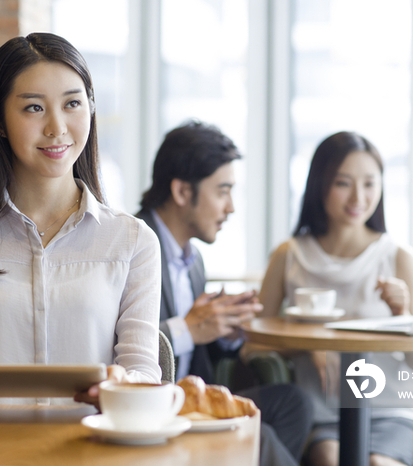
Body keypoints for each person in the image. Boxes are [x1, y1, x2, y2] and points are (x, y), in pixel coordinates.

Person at [0, 33, 162, 412]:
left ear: (91, 109)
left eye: (73, 104)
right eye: (33, 108)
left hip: (93, 449)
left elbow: (143, 373)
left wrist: (124, 385)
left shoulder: (132, 241)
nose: (57, 127)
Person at [137, 121, 314, 466]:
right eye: (222, 191)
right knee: (257, 433)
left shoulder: (193, 259)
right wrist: (189, 329)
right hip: (155, 404)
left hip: (192, 397)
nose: (230, 207)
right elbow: (114, 345)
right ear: (182, 192)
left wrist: (228, 330)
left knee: (293, 402)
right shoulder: (133, 246)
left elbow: (202, 349)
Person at [258, 131, 413, 466]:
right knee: (330, 459)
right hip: (324, 413)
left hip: (397, 408)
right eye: (343, 183)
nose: (359, 197)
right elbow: (252, 345)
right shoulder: (289, 255)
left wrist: (404, 314)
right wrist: (307, 343)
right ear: (320, 185)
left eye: (370, 183)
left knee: (379, 463)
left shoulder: (399, 256)